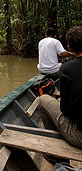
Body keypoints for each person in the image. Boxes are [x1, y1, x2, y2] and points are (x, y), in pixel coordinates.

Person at [38, 26, 82, 162]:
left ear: (69, 47)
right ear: (54, 36)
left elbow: (65, 110)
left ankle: (56, 156)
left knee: (43, 99)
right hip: (54, 69)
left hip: (79, 136)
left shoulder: (66, 69)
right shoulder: (57, 45)